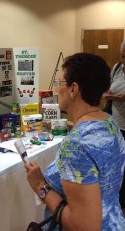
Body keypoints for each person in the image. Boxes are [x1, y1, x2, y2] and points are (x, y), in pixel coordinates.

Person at [25, 52, 125, 230]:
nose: (57, 89)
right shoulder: (109, 123)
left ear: (73, 89)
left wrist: (41, 186)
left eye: (60, 83)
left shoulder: (77, 145)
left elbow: (84, 226)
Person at [104, 40, 125, 215]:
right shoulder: (117, 68)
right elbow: (107, 89)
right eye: (122, 54)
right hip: (116, 125)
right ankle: (117, 199)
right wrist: (109, 94)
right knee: (118, 164)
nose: (122, 58)